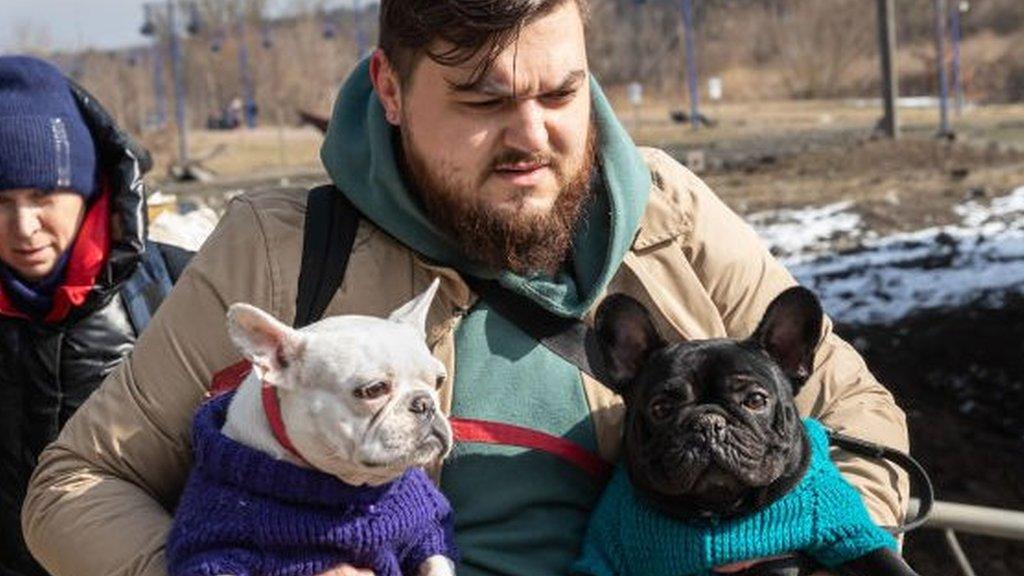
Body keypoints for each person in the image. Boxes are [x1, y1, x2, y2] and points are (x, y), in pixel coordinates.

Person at [22, 2, 909, 575]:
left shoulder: (670, 216)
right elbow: (74, 486)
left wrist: (781, 554)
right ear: (391, 89)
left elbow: (863, 420)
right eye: (483, 103)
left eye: (562, 92)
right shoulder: (278, 250)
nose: (534, 138)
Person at [0, 56, 191, 576]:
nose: (23, 226)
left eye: (42, 196)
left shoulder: (179, 290)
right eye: (1, 201)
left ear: (87, 190)